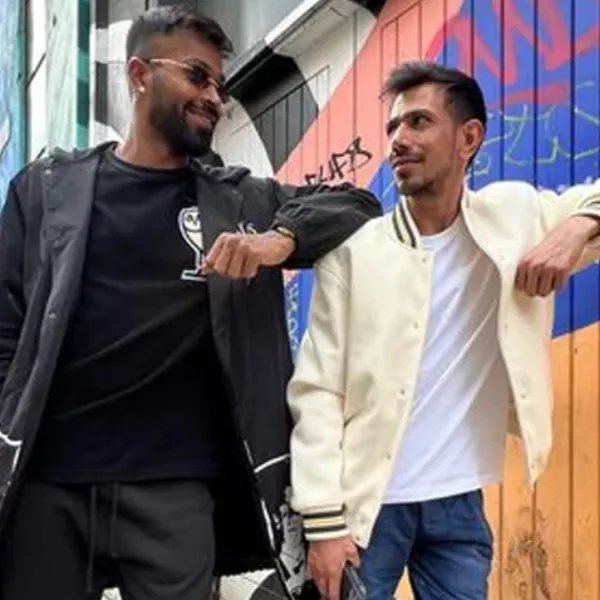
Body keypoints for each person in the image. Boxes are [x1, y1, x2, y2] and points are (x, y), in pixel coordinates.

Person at [0, 6, 381, 600]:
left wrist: (279, 240)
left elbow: (358, 205)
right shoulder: (48, 191)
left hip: (175, 493)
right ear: (139, 73)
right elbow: (6, 330)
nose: (214, 98)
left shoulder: (239, 201)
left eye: (220, 86)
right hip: (52, 486)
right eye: (197, 76)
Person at [287, 61, 600, 600]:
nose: (398, 140)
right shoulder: (354, 256)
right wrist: (323, 522)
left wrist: (577, 227)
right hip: (367, 510)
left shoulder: (515, 217)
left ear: (468, 138)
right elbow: (317, 392)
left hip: (459, 502)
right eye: (393, 126)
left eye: (418, 122)